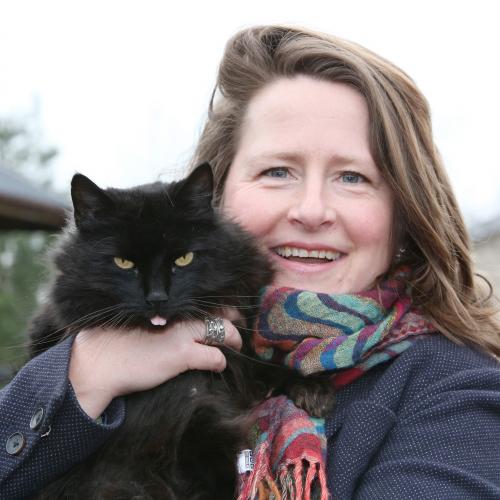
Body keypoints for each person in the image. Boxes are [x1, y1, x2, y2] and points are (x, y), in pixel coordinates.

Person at [1, 25, 500, 499]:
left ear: (405, 213)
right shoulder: (73, 359)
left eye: (352, 178)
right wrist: (77, 386)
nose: (311, 211)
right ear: (218, 193)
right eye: (277, 171)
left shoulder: (454, 392)